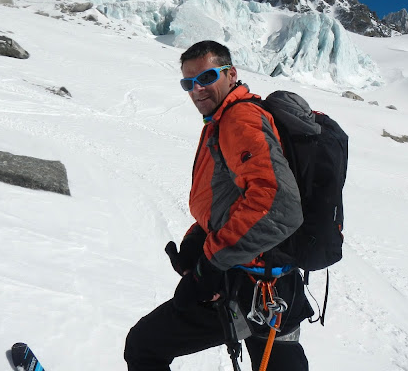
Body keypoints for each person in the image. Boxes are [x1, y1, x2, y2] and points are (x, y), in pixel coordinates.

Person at [124, 40, 312, 370]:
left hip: (248, 286)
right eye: (188, 82)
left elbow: (279, 205)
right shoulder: (226, 117)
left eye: (206, 77)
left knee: (144, 345)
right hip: (275, 286)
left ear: (231, 74)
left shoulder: (239, 120)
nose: (197, 89)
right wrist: (200, 236)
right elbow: (234, 197)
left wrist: (211, 263)